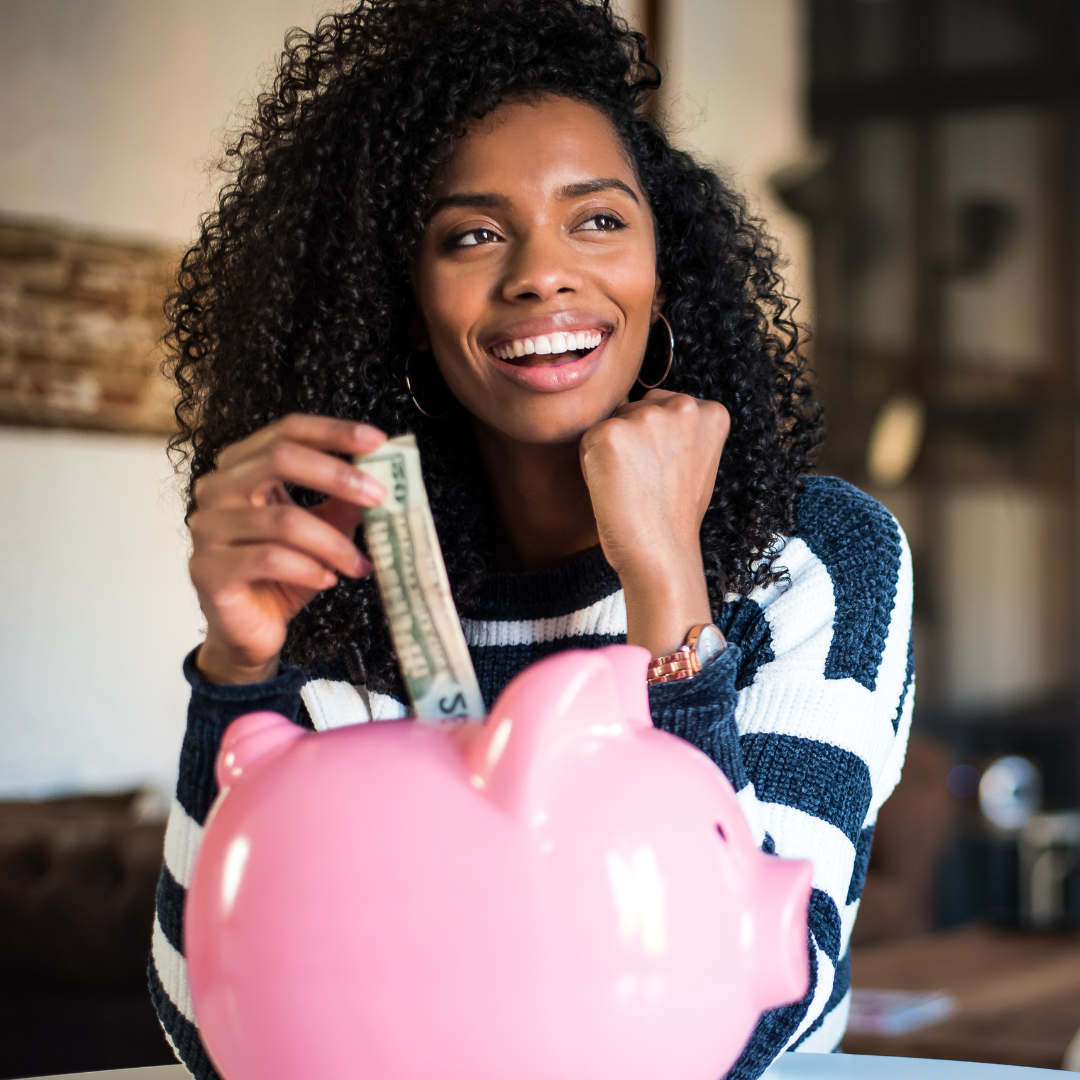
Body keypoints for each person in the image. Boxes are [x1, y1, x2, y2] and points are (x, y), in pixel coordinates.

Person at [149, 2, 913, 1077]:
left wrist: (667, 582)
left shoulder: (816, 553)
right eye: (472, 234)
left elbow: (751, 1023)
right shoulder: (346, 560)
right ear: (408, 302)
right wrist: (237, 673)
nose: (542, 274)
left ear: (667, 263)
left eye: (598, 219)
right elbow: (217, 1032)